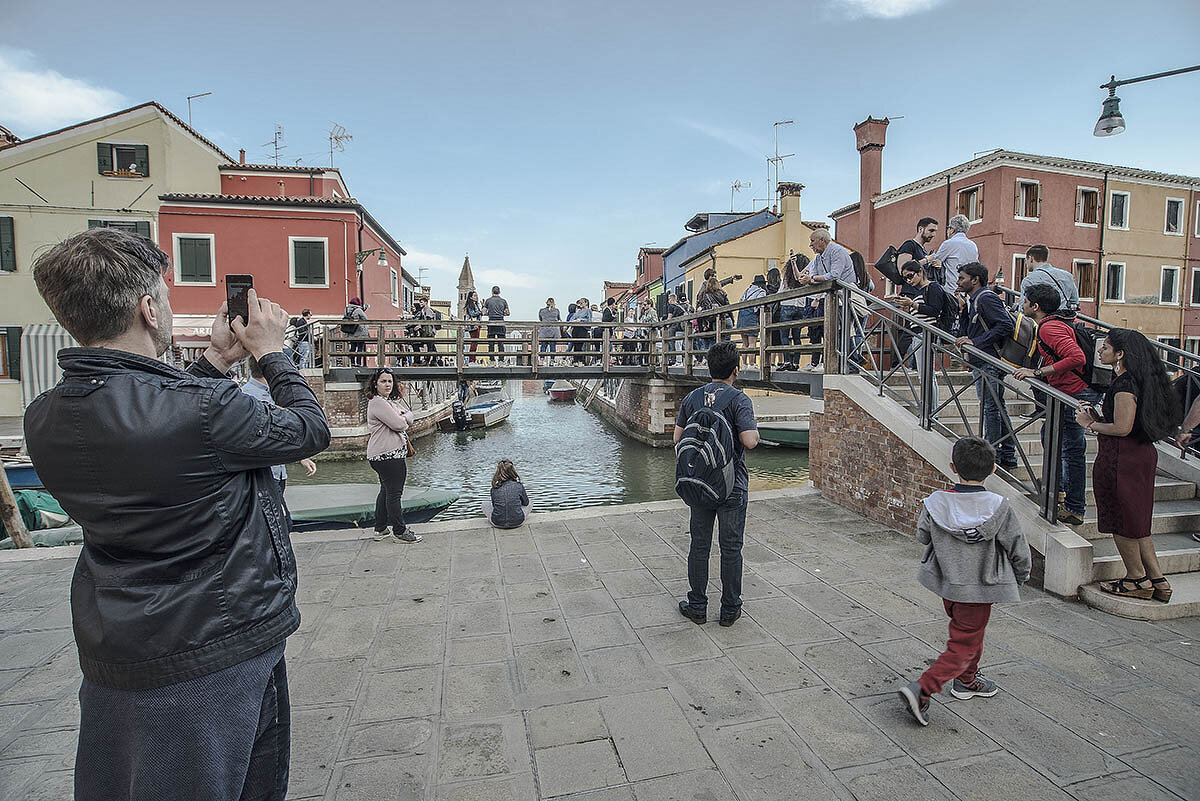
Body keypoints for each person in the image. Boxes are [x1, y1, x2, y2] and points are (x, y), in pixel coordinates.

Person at [23, 227, 331, 801]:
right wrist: (273, 355)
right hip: (217, 644)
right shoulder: (205, 410)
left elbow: (161, 424)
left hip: (120, 644)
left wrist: (214, 360)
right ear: (146, 307)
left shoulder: (45, 416)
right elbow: (310, 428)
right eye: (163, 295)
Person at [897, 437, 1031, 727]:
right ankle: (922, 689)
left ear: (953, 467)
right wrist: (1021, 576)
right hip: (979, 587)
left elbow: (922, 537)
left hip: (948, 584)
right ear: (993, 469)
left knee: (970, 634)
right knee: (965, 644)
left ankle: (967, 680)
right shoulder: (999, 507)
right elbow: (1017, 547)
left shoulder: (935, 502)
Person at [1076, 329, 1178, 601]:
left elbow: (1122, 427)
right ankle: (1158, 580)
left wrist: (1090, 424)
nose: (1099, 351)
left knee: (1121, 522)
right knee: (1138, 522)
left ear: (1120, 354)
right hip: (1140, 455)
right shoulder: (1143, 380)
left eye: (1105, 347)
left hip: (1121, 458)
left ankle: (1136, 579)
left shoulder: (1124, 384)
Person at [675, 341, 759, 626]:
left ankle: (697, 605)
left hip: (700, 483)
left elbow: (677, 438)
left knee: (700, 545)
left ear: (709, 368)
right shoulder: (739, 399)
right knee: (731, 547)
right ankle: (729, 609)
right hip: (731, 484)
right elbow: (749, 440)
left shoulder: (693, 397)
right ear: (736, 370)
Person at [1011, 284, 1095, 525]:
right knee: (1050, 436)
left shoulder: (1050, 327)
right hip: (1066, 392)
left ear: (1035, 306)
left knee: (1071, 450)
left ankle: (1074, 507)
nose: (1022, 305)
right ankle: (1055, 489)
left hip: (1073, 393)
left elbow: (1076, 357)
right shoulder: (1053, 323)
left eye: (1025, 301)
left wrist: (1037, 372)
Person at [242, 356, 317, 530]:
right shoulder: (250, 397)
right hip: (265, 473)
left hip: (277, 471)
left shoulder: (267, 394)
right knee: (281, 523)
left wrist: (301, 456)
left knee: (277, 522)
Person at [954, 263, 1017, 468]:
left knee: (991, 408)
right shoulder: (974, 300)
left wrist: (977, 342)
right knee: (997, 406)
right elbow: (968, 329)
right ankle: (1007, 454)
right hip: (982, 360)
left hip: (989, 360)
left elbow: (1005, 325)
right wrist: (963, 309)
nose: (958, 281)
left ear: (975, 279)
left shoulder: (986, 298)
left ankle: (994, 455)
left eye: (962, 278)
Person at [366, 367, 422, 544]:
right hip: (388, 455)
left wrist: (405, 417)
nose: (388, 384)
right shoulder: (378, 403)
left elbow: (408, 415)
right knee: (394, 494)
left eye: (390, 381)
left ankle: (380, 528)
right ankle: (400, 531)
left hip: (383, 455)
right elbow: (400, 424)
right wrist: (405, 418)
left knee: (386, 491)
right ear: (375, 384)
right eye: (383, 381)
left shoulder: (386, 401)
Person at [894, 260, 950, 410]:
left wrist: (912, 304)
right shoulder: (919, 291)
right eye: (905, 278)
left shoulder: (933, 287)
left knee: (927, 375)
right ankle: (928, 410)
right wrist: (909, 306)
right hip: (918, 335)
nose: (908, 280)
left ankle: (931, 412)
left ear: (920, 272)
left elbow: (934, 310)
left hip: (927, 334)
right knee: (923, 375)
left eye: (910, 276)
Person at [798, 228, 855, 372]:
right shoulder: (818, 258)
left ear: (822, 240)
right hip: (830, 298)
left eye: (812, 241)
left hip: (844, 298)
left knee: (840, 332)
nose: (810, 245)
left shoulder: (837, 251)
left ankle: (849, 364)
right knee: (828, 331)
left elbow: (834, 275)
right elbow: (814, 276)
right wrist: (809, 279)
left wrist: (812, 279)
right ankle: (830, 363)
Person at [1016, 244, 1079, 315]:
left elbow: (1023, 308)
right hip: (1062, 320)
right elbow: (1074, 302)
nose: (1026, 263)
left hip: (1042, 322)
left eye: (1026, 260)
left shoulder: (1029, 280)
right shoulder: (1067, 276)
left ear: (1031, 258)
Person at [928, 215, 979, 295]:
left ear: (952, 230)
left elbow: (934, 262)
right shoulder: (973, 245)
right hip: (968, 290)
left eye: (948, 228)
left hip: (952, 289)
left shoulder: (948, 243)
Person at [778, 252, 810, 370]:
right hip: (800, 307)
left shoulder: (787, 276)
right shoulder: (805, 275)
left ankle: (786, 361)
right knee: (797, 337)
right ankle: (796, 363)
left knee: (785, 336)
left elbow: (780, 292)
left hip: (787, 304)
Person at [483, 459, 531, 528]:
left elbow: (494, 505)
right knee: (530, 501)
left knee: (484, 504)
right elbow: (526, 503)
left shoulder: (494, 488)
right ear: (513, 471)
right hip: (518, 522)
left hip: (497, 523)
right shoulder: (519, 486)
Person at [737, 274, 768, 369]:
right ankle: (752, 364)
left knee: (744, 343)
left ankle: (744, 364)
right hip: (751, 316)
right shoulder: (761, 291)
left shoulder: (747, 291)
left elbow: (740, 301)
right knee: (752, 343)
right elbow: (760, 304)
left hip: (741, 315)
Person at [695, 277, 730, 358]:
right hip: (726, 318)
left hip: (715, 320)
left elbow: (706, 308)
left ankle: (716, 359)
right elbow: (728, 306)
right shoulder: (723, 293)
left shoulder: (705, 295)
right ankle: (726, 358)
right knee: (726, 341)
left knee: (716, 341)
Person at [483, 285, 509, 362]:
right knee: (501, 343)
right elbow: (508, 313)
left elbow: (484, 313)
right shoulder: (504, 301)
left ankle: (492, 360)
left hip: (491, 322)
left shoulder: (488, 301)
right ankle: (501, 360)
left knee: (491, 343)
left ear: (492, 292)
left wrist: (490, 313)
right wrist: (501, 313)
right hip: (501, 322)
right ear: (499, 292)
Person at [343, 296, 368, 367]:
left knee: (353, 347)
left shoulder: (346, 309)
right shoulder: (358, 310)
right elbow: (365, 318)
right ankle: (359, 363)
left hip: (350, 332)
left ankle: (352, 362)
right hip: (360, 332)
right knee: (360, 348)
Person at [538, 297, 561, 365]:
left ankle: (542, 360)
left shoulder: (542, 310)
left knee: (543, 346)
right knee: (552, 346)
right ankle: (552, 360)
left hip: (544, 329)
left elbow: (540, 319)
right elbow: (558, 318)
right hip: (553, 330)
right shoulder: (556, 310)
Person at [465, 290, 483, 364]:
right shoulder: (470, 305)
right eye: (474, 296)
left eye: (476, 295)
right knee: (473, 343)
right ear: (471, 297)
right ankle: (471, 360)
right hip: (473, 326)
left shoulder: (475, 305)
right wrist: (481, 312)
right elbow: (472, 314)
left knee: (475, 343)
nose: (476, 297)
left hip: (476, 325)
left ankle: (473, 359)